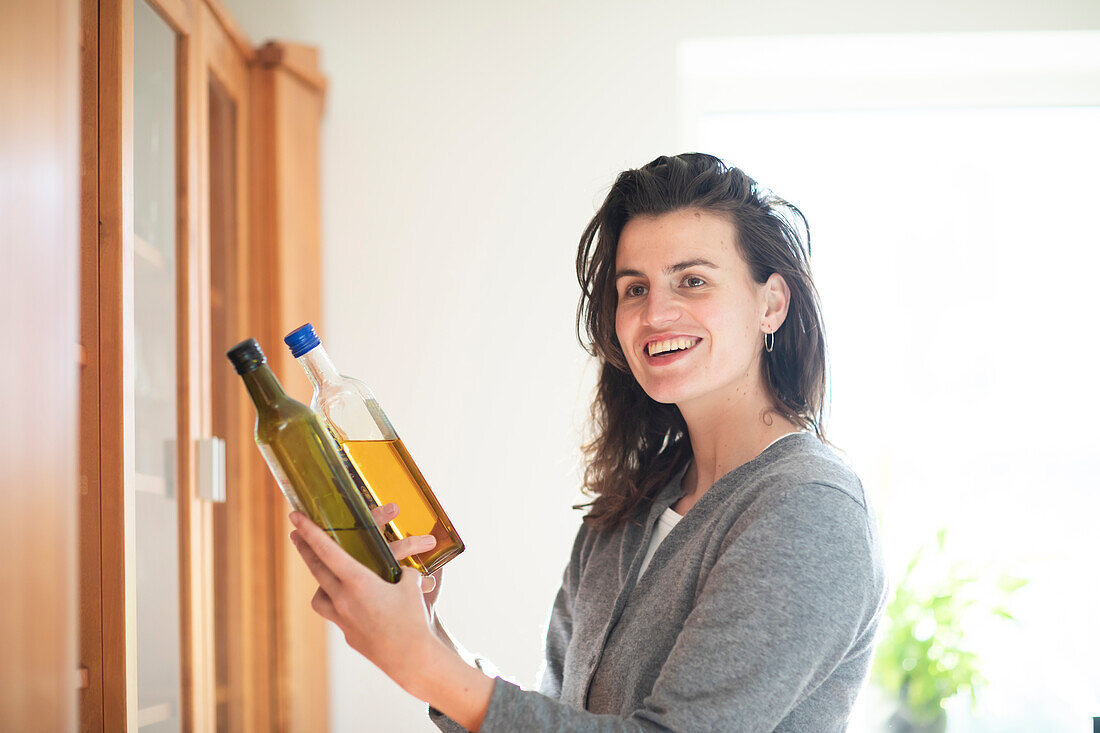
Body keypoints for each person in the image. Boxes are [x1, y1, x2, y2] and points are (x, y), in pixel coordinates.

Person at [288, 153, 887, 731]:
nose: (656, 314)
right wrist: (425, 632)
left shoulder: (810, 508)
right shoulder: (629, 508)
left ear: (771, 303)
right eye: (635, 289)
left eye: (693, 281)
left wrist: (422, 663)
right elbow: (560, 718)